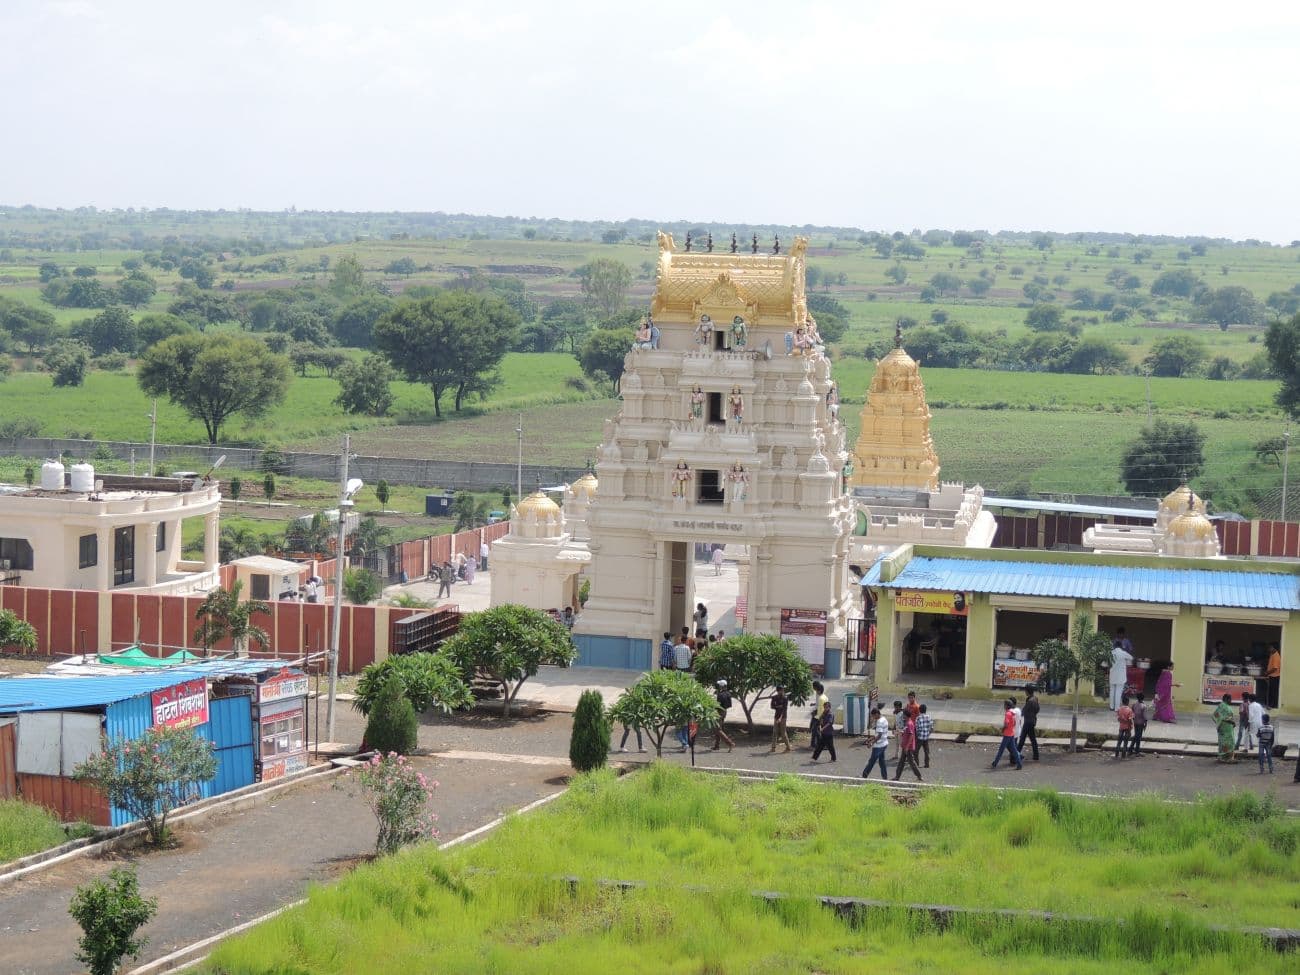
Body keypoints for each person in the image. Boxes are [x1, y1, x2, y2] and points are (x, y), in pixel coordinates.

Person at [990, 699, 1024, 770]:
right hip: (1011, 733)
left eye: (1004, 705)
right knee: (1014, 750)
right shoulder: (1012, 713)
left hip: (1007, 734)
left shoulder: (1007, 714)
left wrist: (1002, 729)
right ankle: (1019, 764)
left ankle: (995, 763)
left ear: (1006, 706)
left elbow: (1006, 723)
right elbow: (1014, 723)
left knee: (1001, 750)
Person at [861, 707, 890, 780]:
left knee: (872, 761)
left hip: (879, 745)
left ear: (877, 714)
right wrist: (871, 738)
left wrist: (871, 743)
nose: (873, 718)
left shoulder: (879, 722)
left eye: (873, 716)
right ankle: (885, 777)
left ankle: (864, 776)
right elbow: (880, 734)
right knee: (881, 762)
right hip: (884, 743)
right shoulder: (884, 719)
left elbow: (879, 735)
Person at [893, 713, 922, 781]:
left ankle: (919, 776)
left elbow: (911, 735)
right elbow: (906, 732)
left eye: (903, 715)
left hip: (908, 747)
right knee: (901, 762)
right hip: (905, 746)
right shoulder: (907, 723)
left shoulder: (909, 724)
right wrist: (900, 732)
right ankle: (897, 776)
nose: (903, 717)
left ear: (906, 715)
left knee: (911, 762)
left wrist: (907, 747)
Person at [1108, 638, 1133, 710]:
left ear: (1114, 646)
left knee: (1112, 691)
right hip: (1121, 675)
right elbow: (1131, 658)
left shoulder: (1111, 653)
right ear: (1121, 646)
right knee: (1118, 691)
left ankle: (1111, 707)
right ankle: (1117, 708)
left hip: (1112, 674)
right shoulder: (1123, 653)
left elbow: (1105, 663)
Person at [1212, 693, 1237, 763]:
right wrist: (1232, 722)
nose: (1231, 701)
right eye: (1230, 699)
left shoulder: (1221, 705)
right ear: (1226, 699)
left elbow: (1214, 715)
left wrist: (1218, 723)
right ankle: (1228, 758)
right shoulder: (1225, 706)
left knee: (1222, 742)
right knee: (1228, 742)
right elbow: (1226, 718)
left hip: (1223, 727)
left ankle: (1222, 757)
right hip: (1226, 728)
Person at [711, 681, 735, 752]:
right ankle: (716, 746)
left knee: (718, 729)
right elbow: (730, 705)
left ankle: (730, 743)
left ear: (721, 686)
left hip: (719, 712)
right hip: (724, 712)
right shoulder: (728, 693)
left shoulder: (720, 695)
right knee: (719, 728)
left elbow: (717, 705)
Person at [1018, 687, 1040, 761]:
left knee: (1022, 739)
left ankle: (1016, 754)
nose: (1025, 692)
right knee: (1032, 739)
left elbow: (1024, 710)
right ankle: (1036, 756)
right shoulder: (1035, 698)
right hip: (1032, 720)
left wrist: (1019, 715)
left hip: (1028, 721)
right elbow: (1038, 709)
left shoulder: (1030, 701)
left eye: (1025, 691)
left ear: (1028, 692)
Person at [769, 685, 791, 753]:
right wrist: (778, 706)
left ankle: (788, 747)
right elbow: (772, 706)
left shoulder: (785, 698)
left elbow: (784, 709)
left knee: (783, 733)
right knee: (774, 732)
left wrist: (780, 718)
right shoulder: (774, 697)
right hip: (776, 716)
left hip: (783, 717)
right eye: (781, 690)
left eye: (783, 690)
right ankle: (773, 748)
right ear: (778, 691)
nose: (782, 691)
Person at [810, 680, 828, 751]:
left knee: (816, 730)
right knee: (815, 730)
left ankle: (822, 745)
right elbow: (819, 704)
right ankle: (814, 744)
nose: (814, 689)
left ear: (818, 690)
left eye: (814, 688)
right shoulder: (822, 696)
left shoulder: (821, 697)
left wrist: (817, 715)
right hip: (818, 715)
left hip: (818, 716)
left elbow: (820, 708)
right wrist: (814, 704)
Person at [1128, 692, 1148, 756]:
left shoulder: (1134, 704)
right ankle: (1137, 751)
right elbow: (1144, 716)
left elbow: (1132, 712)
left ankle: (1131, 749)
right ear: (1143, 698)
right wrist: (1146, 723)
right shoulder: (1143, 706)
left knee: (1136, 736)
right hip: (1141, 723)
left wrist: (1133, 719)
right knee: (1138, 737)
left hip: (1135, 722)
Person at [1115, 695, 1134, 759]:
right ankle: (1123, 755)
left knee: (1119, 741)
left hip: (1121, 727)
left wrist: (1122, 721)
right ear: (1128, 702)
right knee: (1125, 742)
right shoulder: (1130, 710)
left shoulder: (1119, 709)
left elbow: (1118, 718)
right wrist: (1131, 726)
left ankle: (1116, 754)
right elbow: (1130, 719)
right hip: (1127, 727)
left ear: (1122, 702)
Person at [915, 704, 934, 768]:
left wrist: (917, 735)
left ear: (919, 710)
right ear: (926, 710)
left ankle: (916, 764)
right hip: (926, 737)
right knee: (926, 751)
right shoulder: (929, 717)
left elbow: (917, 729)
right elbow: (931, 728)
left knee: (916, 751)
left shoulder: (918, 718)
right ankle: (927, 764)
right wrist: (928, 734)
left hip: (920, 737)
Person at [1265, 643, 1281, 709]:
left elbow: (1275, 668)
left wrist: (1267, 673)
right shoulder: (1272, 654)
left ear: (1273, 648)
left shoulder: (1276, 656)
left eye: (1270, 647)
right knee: (1271, 691)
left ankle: (1273, 705)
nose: (1269, 649)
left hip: (1275, 676)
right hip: (1272, 676)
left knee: (1273, 692)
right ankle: (1271, 704)